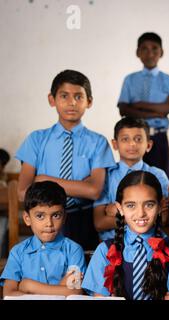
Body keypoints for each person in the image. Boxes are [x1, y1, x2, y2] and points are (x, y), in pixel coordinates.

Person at [16, 70, 115, 250]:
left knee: (80, 273)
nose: (72, 102)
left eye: (79, 96)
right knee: (47, 272)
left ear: (89, 101)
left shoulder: (98, 142)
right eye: (64, 96)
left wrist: (43, 180)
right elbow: (23, 192)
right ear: (51, 99)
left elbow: (94, 191)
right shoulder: (36, 140)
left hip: (83, 220)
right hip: (45, 219)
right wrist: (79, 186)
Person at [82, 171, 169, 300]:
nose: (141, 213)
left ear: (160, 206)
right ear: (120, 208)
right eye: (131, 205)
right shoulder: (104, 251)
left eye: (149, 205)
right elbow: (100, 298)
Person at [1, 181, 86, 296]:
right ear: (27, 218)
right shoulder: (17, 252)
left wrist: (28, 286)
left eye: (56, 215)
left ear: (64, 217)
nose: (49, 223)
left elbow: (75, 291)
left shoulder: (74, 250)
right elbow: (8, 294)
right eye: (40, 216)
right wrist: (61, 287)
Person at [118, 32, 169, 183]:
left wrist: (140, 106)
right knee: (133, 181)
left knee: (162, 181)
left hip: (158, 138)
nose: (150, 53)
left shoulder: (168, 80)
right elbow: (124, 109)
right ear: (137, 52)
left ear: (162, 52)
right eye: (144, 49)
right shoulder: (130, 79)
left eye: (154, 49)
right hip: (135, 138)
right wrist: (159, 111)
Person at [93, 117, 169, 241]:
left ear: (149, 145)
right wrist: (144, 217)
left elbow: (162, 219)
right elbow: (100, 223)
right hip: (111, 245)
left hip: (150, 243)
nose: (132, 144)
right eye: (125, 139)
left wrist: (118, 211)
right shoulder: (106, 175)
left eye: (138, 139)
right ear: (115, 144)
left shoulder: (159, 175)